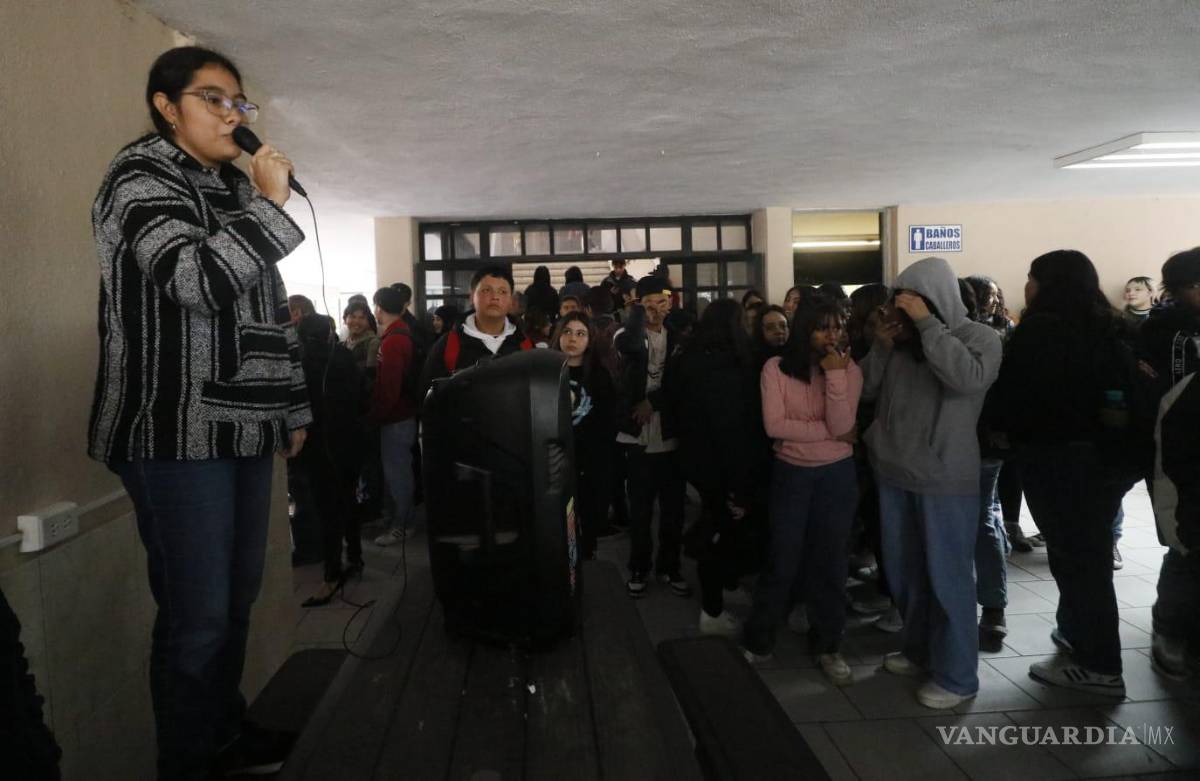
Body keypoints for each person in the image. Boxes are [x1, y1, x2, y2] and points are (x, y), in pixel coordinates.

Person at [90, 46, 308, 779]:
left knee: (236, 601)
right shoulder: (139, 176)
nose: (232, 115)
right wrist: (270, 207)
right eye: (213, 99)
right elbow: (194, 278)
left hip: (246, 425)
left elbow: (269, 310)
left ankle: (222, 733)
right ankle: (186, 763)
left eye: (239, 104)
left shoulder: (230, 187)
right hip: (172, 428)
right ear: (165, 104)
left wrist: (294, 404)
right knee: (199, 617)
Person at [861, 257, 1002, 709]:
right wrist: (881, 347)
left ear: (937, 300)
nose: (903, 311)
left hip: (943, 476)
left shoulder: (977, 337)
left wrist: (927, 327)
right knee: (906, 575)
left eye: (915, 301)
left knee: (948, 578)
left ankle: (959, 676)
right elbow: (863, 390)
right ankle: (919, 650)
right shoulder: (901, 345)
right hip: (894, 470)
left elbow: (966, 380)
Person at [990, 250, 1131, 697]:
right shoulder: (1110, 327)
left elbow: (1013, 397)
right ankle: (1076, 635)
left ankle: (1099, 665)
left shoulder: (1042, 331)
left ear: (1049, 284)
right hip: (1104, 462)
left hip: (1057, 461)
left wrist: (999, 431)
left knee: (1078, 562)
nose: (1026, 286)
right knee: (1087, 556)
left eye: (1031, 277)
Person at [742, 300, 862, 685]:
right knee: (782, 559)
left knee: (831, 561)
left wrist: (836, 379)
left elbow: (844, 421)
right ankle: (759, 640)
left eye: (838, 327)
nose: (833, 336)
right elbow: (775, 426)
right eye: (823, 328)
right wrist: (829, 432)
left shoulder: (849, 370)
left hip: (836, 476)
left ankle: (828, 644)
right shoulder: (775, 368)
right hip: (792, 473)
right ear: (804, 330)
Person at [671, 300, 770, 637]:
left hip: (697, 461)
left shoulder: (690, 358)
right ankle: (711, 611)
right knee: (720, 533)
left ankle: (724, 587)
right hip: (724, 465)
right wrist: (739, 484)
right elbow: (733, 430)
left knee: (722, 527)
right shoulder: (732, 366)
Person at [1140, 249, 1200, 677]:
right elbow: (1146, 388)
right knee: (1184, 541)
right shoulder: (1160, 328)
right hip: (1177, 446)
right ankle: (1170, 628)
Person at [615, 275, 690, 598]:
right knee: (641, 510)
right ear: (636, 306)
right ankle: (638, 567)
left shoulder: (680, 338)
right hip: (636, 435)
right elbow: (630, 346)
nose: (655, 310)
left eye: (661, 303)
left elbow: (681, 383)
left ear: (670, 302)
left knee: (674, 510)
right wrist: (635, 316)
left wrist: (652, 401)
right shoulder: (625, 334)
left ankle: (670, 567)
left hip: (671, 434)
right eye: (647, 305)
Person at [295, 315, 367, 605]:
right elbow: (363, 399)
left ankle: (331, 575)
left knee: (327, 512)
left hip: (318, 448)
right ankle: (356, 558)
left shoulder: (301, 363)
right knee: (349, 501)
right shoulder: (345, 356)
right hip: (349, 441)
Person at [551, 312, 617, 560]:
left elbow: (607, 424)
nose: (572, 339)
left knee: (588, 526)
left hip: (590, 462)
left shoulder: (599, 376)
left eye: (580, 334)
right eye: (567, 332)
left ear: (590, 339)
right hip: (554, 460)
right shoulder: (546, 372)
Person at [421, 265, 534, 391]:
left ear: (511, 301)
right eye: (486, 290)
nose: (494, 297)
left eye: (502, 292)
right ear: (471, 297)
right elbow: (427, 397)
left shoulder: (525, 345)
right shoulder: (449, 345)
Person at [370, 287, 419, 547]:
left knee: (397, 473)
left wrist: (376, 415)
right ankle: (397, 519)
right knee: (397, 471)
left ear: (379, 307)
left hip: (396, 418)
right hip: (402, 415)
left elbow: (389, 388)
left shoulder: (394, 341)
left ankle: (403, 524)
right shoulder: (400, 334)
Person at [343, 300, 380, 379]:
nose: (357, 321)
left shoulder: (373, 342)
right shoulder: (345, 343)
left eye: (362, 318)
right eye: (352, 317)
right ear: (345, 319)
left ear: (368, 321)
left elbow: (371, 376)